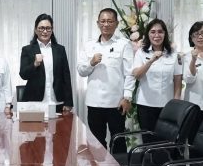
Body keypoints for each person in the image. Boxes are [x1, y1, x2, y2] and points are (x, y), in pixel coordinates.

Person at [76, 8, 134, 151]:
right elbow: (81, 71)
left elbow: (130, 73)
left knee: (118, 142)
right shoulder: (89, 45)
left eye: (110, 21)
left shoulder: (124, 44)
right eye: (102, 21)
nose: (106, 24)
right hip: (94, 103)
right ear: (98, 23)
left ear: (116, 23)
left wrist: (127, 97)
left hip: (116, 103)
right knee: (97, 144)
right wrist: (91, 63)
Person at [131, 18, 182, 131]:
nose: (157, 35)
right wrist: (150, 61)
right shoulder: (141, 52)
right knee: (148, 138)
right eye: (153, 32)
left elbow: (178, 80)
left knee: (166, 139)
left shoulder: (173, 54)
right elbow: (137, 75)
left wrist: (176, 103)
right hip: (145, 104)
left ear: (165, 34)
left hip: (167, 105)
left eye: (160, 32)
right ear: (148, 34)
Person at [19, 13, 73, 114]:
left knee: (60, 125)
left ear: (52, 30)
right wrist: (35, 64)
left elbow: (66, 77)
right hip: (35, 101)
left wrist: (69, 102)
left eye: (48, 28)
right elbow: (23, 74)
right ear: (36, 30)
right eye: (41, 28)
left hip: (57, 101)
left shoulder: (60, 49)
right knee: (35, 125)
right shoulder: (27, 50)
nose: (45, 31)